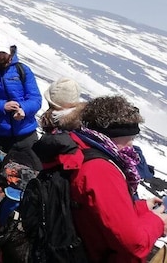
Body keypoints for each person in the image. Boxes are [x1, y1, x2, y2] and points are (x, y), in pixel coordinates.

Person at [34, 95, 167, 262]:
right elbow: (133, 245)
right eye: (129, 139)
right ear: (113, 135)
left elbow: (98, 209)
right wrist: (157, 223)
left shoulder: (79, 148)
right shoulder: (100, 170)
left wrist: (140, 208)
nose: (131, 146)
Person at [0, 34, 42, 153]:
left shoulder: (23, 70)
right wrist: (2, 106)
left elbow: (35, 98)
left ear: (10, 51)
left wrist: (23, 109)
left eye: (3, 53)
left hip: (26, 134)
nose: (0, 57)